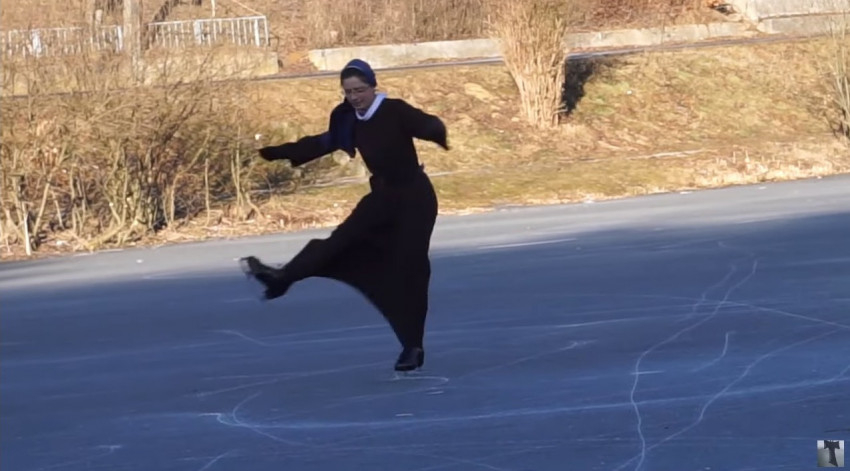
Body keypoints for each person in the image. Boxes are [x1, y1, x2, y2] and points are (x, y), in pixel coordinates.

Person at [240, 58, 449, 372]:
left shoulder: (393, 110)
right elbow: (321, 143)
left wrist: (437, 133)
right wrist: (280, 152)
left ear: (373, 86)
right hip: (381, 197)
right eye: (349, 92)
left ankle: (412, 347)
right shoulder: (348, 120)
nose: (355, 97)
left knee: (412, 269)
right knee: (339, 241)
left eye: (360, 90)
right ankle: (282, 278)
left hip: (414, 199)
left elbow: (426, 123)